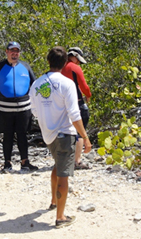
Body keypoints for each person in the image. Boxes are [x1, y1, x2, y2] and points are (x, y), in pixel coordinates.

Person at [30, 46, 92, 228]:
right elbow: (75, 114)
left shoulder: (37, 84)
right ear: (65, 63)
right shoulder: (67, 84)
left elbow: (34, 111)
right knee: (64, 175)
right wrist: (85, 137)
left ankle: (54, 201)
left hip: (48, 135)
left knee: (57, 166)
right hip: (65, 133)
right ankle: (60, 217)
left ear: (48, 61)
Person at [0, 41, 38, 172]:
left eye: (17, 51)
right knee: (7, 135)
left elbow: (35, 84)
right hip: (4, 108)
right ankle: (7, 163)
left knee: (23, 135)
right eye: (12, 51)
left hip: (24, 108)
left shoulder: (25, 66)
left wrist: (38, 103)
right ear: (6, 52)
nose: (14, 53)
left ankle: (25, 162)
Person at [61, 47, 92, 170]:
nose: (79, 62)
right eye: (78, 59)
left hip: (62, 105)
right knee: (80, 131)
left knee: (66, 132)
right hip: (76, 103)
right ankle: (76, 161)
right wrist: (88, 96)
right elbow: (84, 86)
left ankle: (64, 160)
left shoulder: (59, 68)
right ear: (74, 56)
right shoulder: (74, 68)